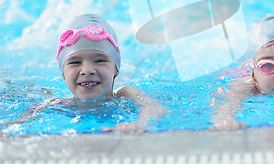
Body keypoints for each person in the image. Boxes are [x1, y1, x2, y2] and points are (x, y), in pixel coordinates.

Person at [3, 14, 167, 133]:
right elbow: (16, 122)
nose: (87, 70)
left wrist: (140, 124)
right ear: (63, 74)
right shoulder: (57, 104)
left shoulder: (126, 94)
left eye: (100, 60)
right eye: (74, 62)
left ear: (116, 68)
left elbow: (155, 109)